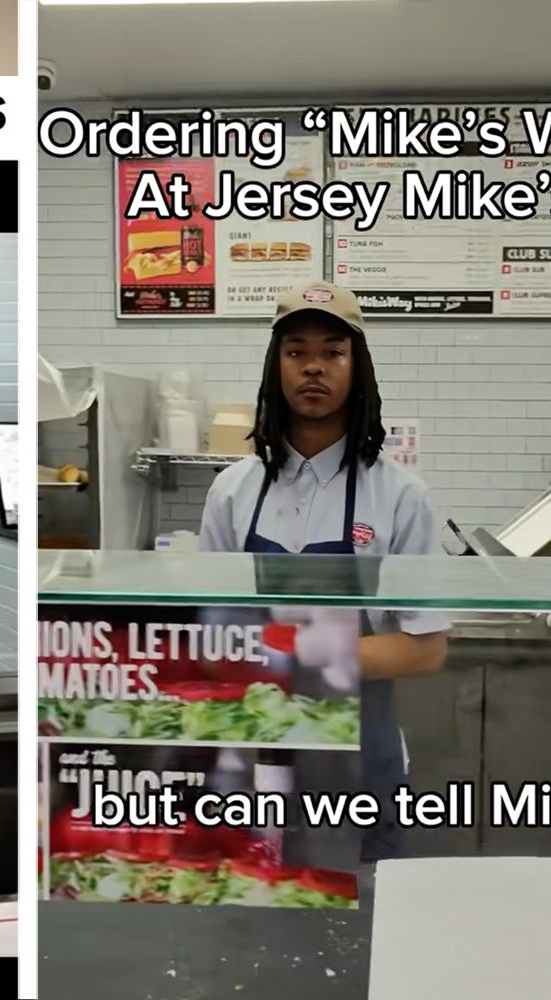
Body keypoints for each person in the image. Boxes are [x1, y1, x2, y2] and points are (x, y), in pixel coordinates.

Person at [198, 280, 449, 863]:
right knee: (247, 934)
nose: (314, 367)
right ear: (276, 367)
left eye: (333, 352)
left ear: (356, 367)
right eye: (296, 352)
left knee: (367, 936)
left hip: (361, 761)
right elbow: (210, 634)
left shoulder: (401, 495)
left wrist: (291, 655)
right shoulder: (232, 492)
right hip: (255, 761)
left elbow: (426, 649)